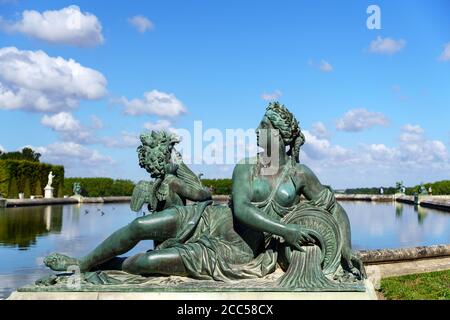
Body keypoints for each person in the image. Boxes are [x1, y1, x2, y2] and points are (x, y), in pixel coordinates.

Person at [44, 102, 365, 283]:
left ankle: (107, 267)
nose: (256, 132)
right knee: (141, 226)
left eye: (263, 127)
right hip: (207, 218)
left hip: (238, 251)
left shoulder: (300, 174)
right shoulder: (246, 167)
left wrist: (346, 248)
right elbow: (240, 209)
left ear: (279, 136)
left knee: (150, 262)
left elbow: (334, 210)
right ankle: (82, 263)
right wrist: (287, 230)